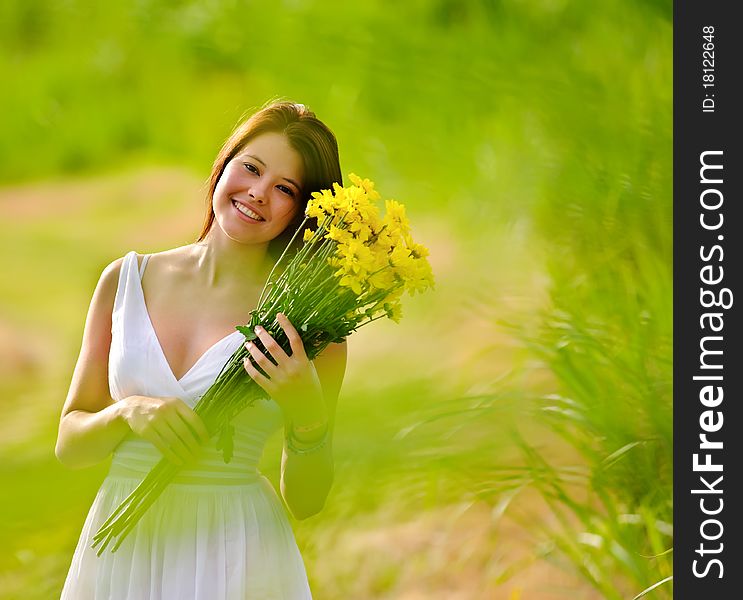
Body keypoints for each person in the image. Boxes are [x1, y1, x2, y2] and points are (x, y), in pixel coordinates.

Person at [55, 100, 348, 599]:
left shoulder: (308, 327)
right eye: (250, 168)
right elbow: (69, 442)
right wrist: (128, 412)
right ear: (224, 165)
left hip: (234, 551)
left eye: (284, 189)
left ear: (302, 213)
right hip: (121, 551)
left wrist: (308, 415)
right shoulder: (126, 280)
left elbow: (306, 500)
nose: (257, 193)